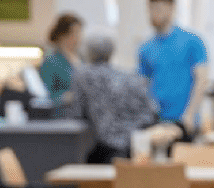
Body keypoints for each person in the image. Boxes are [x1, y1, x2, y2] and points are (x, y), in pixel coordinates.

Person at [71, 31, 170, 163]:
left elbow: (77, 112)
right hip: (137, 145)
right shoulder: (129, 76)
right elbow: (152, 111)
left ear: (87, 51)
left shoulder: (82, 76)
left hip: (106, 147)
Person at [138, 0, 208, 136]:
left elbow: (201, 80)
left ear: (171, 9)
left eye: (158, 9)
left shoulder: (192, 41)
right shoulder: (146, 48)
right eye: (150, 9)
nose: (153, 14)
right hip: (157, 121)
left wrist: (190, 114)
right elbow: (142, 84)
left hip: (184, 120)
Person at [39, 12, 84, 110]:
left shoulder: (83, 59)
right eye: (74, 33)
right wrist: (66, 97)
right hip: (62, 115)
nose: (79, 37)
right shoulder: (51, 62)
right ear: (62, 35)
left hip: (82, 115)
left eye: (79, 32)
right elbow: (45, 95)